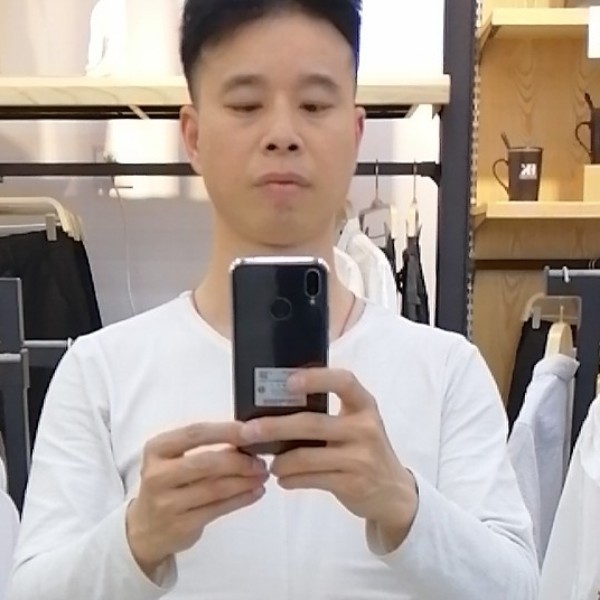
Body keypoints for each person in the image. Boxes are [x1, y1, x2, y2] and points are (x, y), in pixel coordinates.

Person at [7, 1, 539, 599]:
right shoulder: (100, 374)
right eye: (245, 105)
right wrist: (135, 540)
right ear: (194, 135)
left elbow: (522, 590)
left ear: (355, 133)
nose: (282, 134)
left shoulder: (446, 372)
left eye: (313, 105)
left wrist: (404, 506)